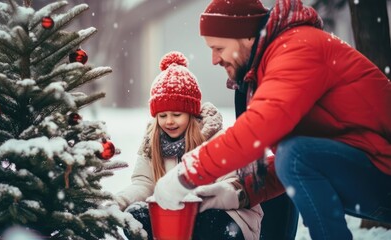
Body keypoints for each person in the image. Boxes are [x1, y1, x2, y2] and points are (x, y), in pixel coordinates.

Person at [152, 0, 391, 239]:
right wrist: (240, 191)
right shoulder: (273, 60)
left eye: (219, 48)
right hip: (374, 169)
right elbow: (305, 163)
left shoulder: (298, 47)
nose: (214, 59)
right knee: (294, 156)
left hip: (382, 167)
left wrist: (187, 173)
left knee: (294, 155)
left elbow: (259, 130)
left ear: (245, 37)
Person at [114, 51, 264, 240]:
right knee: (136, 214)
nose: (169, 121)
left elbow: (233, 183)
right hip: (177, 220)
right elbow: (143, 184)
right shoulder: (152, 144)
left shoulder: (217, 139)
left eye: (177, 115)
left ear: (192, 113)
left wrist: (195, 199)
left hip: (224, 217)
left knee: (209, 221)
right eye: (162, 115)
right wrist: (119, 202)